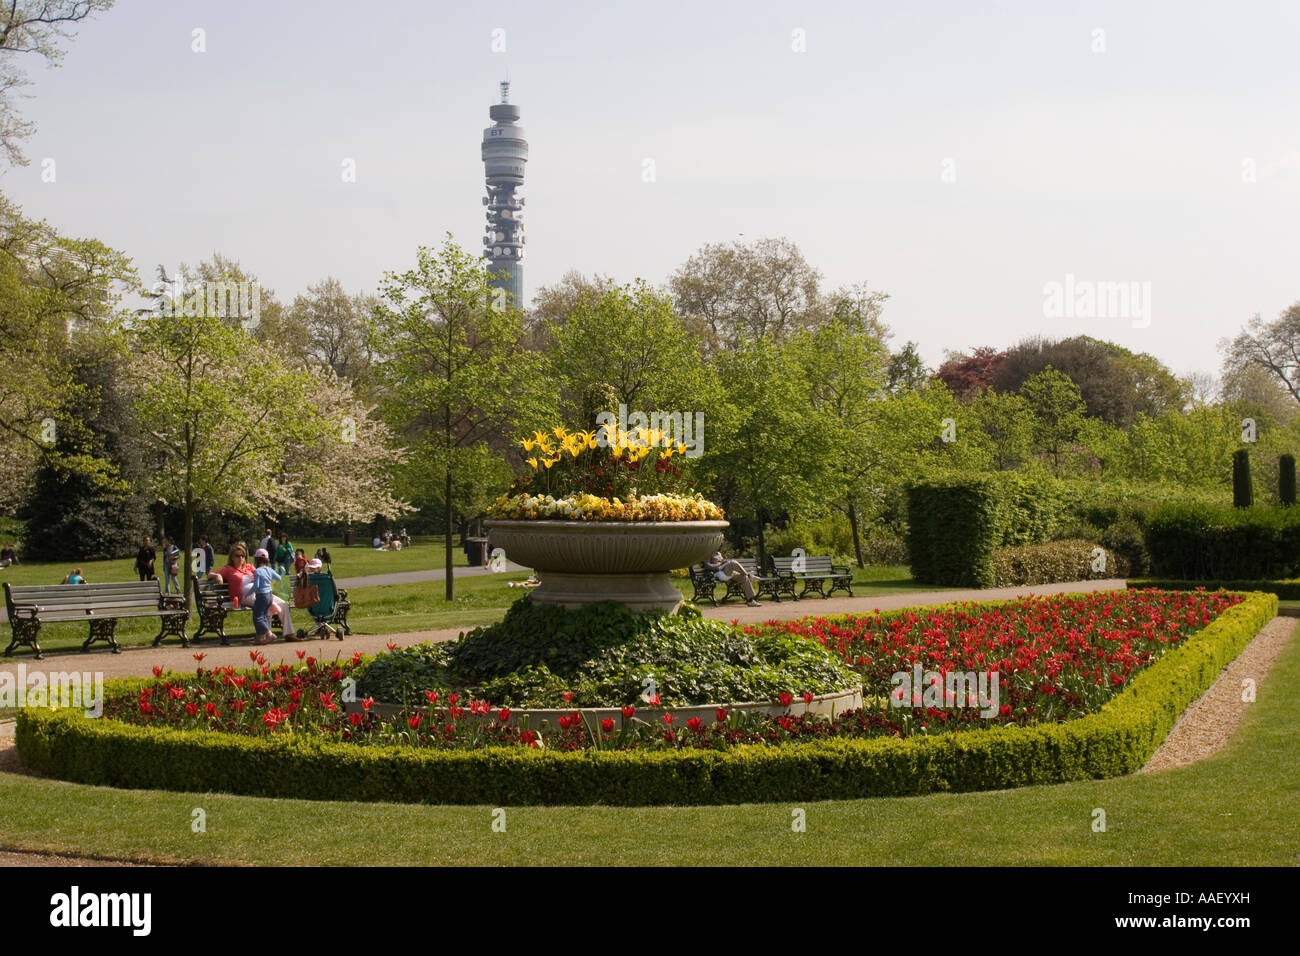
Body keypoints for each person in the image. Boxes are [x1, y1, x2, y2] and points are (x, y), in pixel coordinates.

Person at [250, 550, 282, 645]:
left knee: (257, 617)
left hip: (261, 595)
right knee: (263, 615)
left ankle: (269, 634)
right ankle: (260, 637)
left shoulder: (257, 571)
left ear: (256, 560)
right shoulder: (269, 570)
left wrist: (249, 593)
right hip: (269, 595)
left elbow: (256, 586)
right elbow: (279, 578)